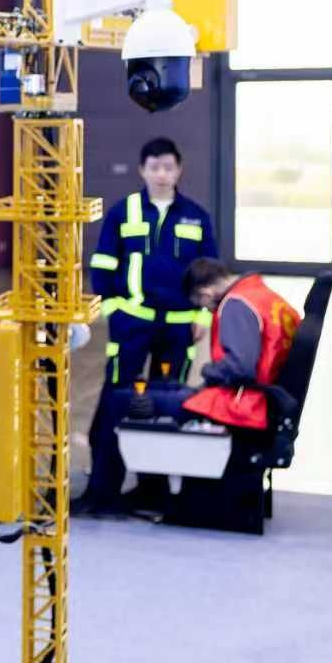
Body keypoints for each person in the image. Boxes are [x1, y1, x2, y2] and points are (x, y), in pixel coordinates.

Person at [76, 136, 218, 515]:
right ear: (142, 170)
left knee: (165, 404)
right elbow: (103, 265)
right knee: (116, 400)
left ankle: (152, 490)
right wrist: (113, 310)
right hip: (132, 327)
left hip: (178, 330)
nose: (161, 174)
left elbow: (210, 273)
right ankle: (103, 490)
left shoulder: (196, 216)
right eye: (154, 167)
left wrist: (203, 316)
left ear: (179, 170)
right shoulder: (123, 213)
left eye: (168, 167)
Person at [178, 258, 304, 430]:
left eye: (202, 305)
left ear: (206, 293)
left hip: (248, 404)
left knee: (157, 402)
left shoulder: (236, 305)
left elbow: (240, 367)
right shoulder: (263, 295)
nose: (208, 310)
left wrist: (207, 371)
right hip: (271, 398)